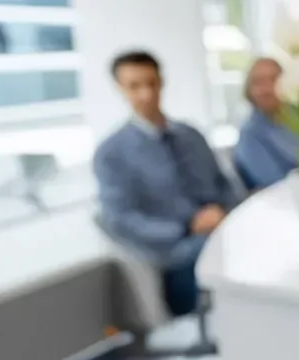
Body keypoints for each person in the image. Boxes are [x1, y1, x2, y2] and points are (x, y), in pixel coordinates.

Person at [93, 50, 238, 317]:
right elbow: (121, 220)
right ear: (120, 89)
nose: (146, 94)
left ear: (161, 82)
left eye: (151, 83)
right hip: (179, 256)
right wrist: (186, 226)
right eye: (134, 86)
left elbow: (225, 184)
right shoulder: (112, 153)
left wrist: (224, 212)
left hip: (224, 233)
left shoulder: (191, 135)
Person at [233, 57, 299, 191]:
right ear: (249, 89)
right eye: (258, 82)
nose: (266, 89)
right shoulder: (250, 133)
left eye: (273, 79)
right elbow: (275, 184)